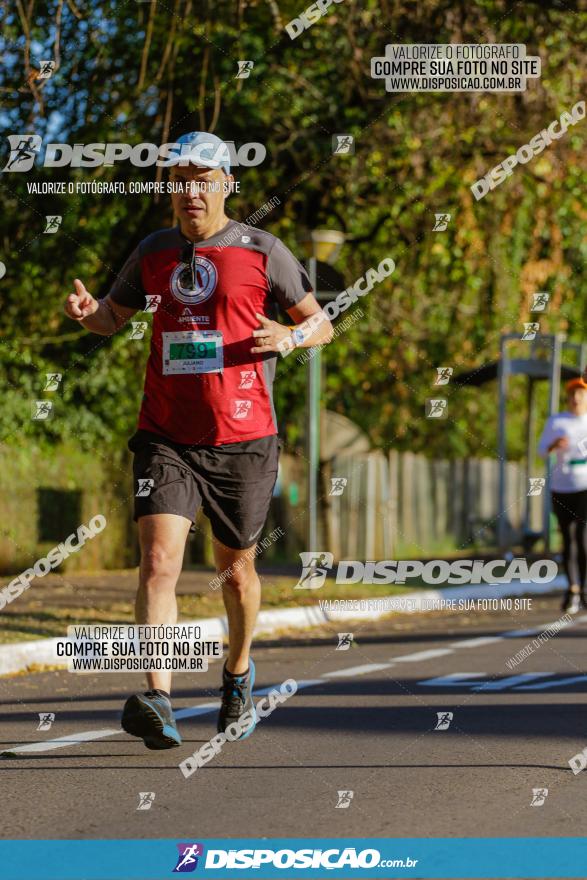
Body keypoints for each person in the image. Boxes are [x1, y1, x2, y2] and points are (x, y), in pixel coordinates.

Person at [63, 131, 333, 749]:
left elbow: (321, 323)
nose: (191, 191)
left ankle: (237, 674)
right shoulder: (153, 251)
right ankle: (157, 698)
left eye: (203, 180)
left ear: (226, 185)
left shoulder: (264, 250)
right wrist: (89, 315)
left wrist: (289, 339)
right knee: (157, 563)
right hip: (166, 435)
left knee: (236, 572)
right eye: (181, 179)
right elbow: (113, 315)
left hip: (244, 437)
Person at [538, 377, 587, 614]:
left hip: (585, 487)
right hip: (561, 486)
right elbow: (541, 451)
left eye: (581, 394)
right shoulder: (557, 421)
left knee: (583, 537)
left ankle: (584, 589)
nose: (576, 398)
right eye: (572, 394)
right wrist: (554, 444)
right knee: (567, 538)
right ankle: (573, 589)